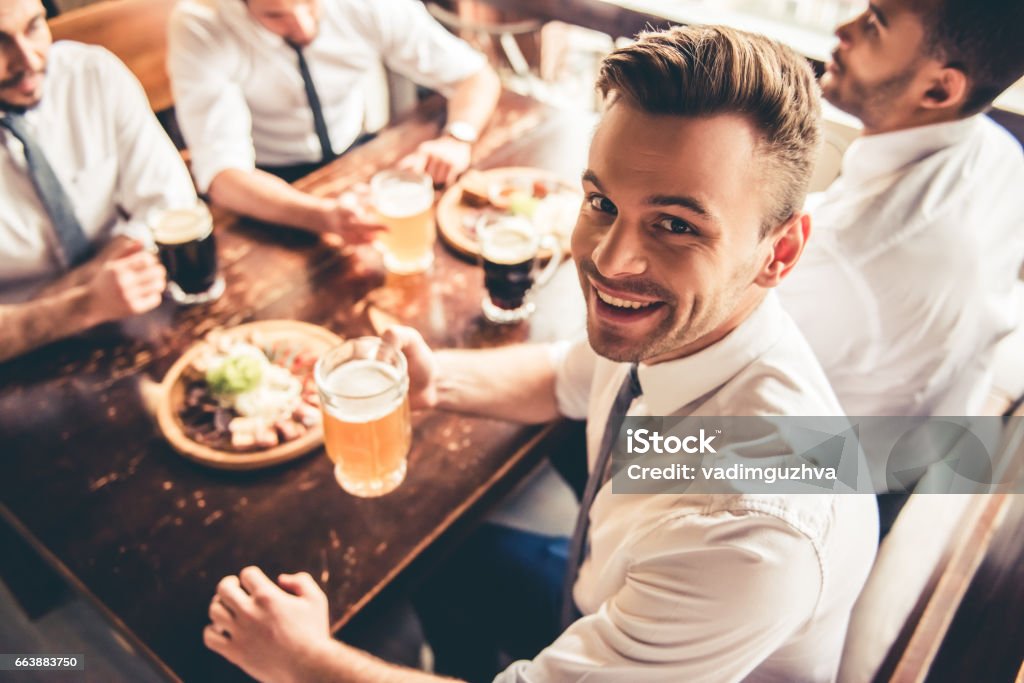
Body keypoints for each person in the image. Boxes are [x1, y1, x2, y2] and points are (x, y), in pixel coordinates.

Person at [203, 26, 879, 683]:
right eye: (601, 201)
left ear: (779, 252)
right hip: (598, 580)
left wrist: (303, 662)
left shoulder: (751, 537)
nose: (611, 261)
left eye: (676, 225)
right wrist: (437, 380)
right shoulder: (690, 330)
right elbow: (569, 376)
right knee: (445, 560)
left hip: (655, 612)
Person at [779, 0, 1024, 417]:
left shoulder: (843, 254)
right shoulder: (1001, 156)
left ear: (939, 89)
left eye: (874, 24)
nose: (844, 29)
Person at [167, 0, 501, 244]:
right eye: (275, 15)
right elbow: (222, 176)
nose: (303, 27)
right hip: (265, 180)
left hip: (357, 151)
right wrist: (321, 216)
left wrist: (457, 138)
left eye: (310, 3)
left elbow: (474, 75)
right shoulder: (201, 24)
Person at [0, 0, 198, 363]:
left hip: (130, 305)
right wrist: (78, 304)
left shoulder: (91, 73)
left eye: (32, 27)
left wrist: (97, 288)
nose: (27, 60)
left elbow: (170, 203)